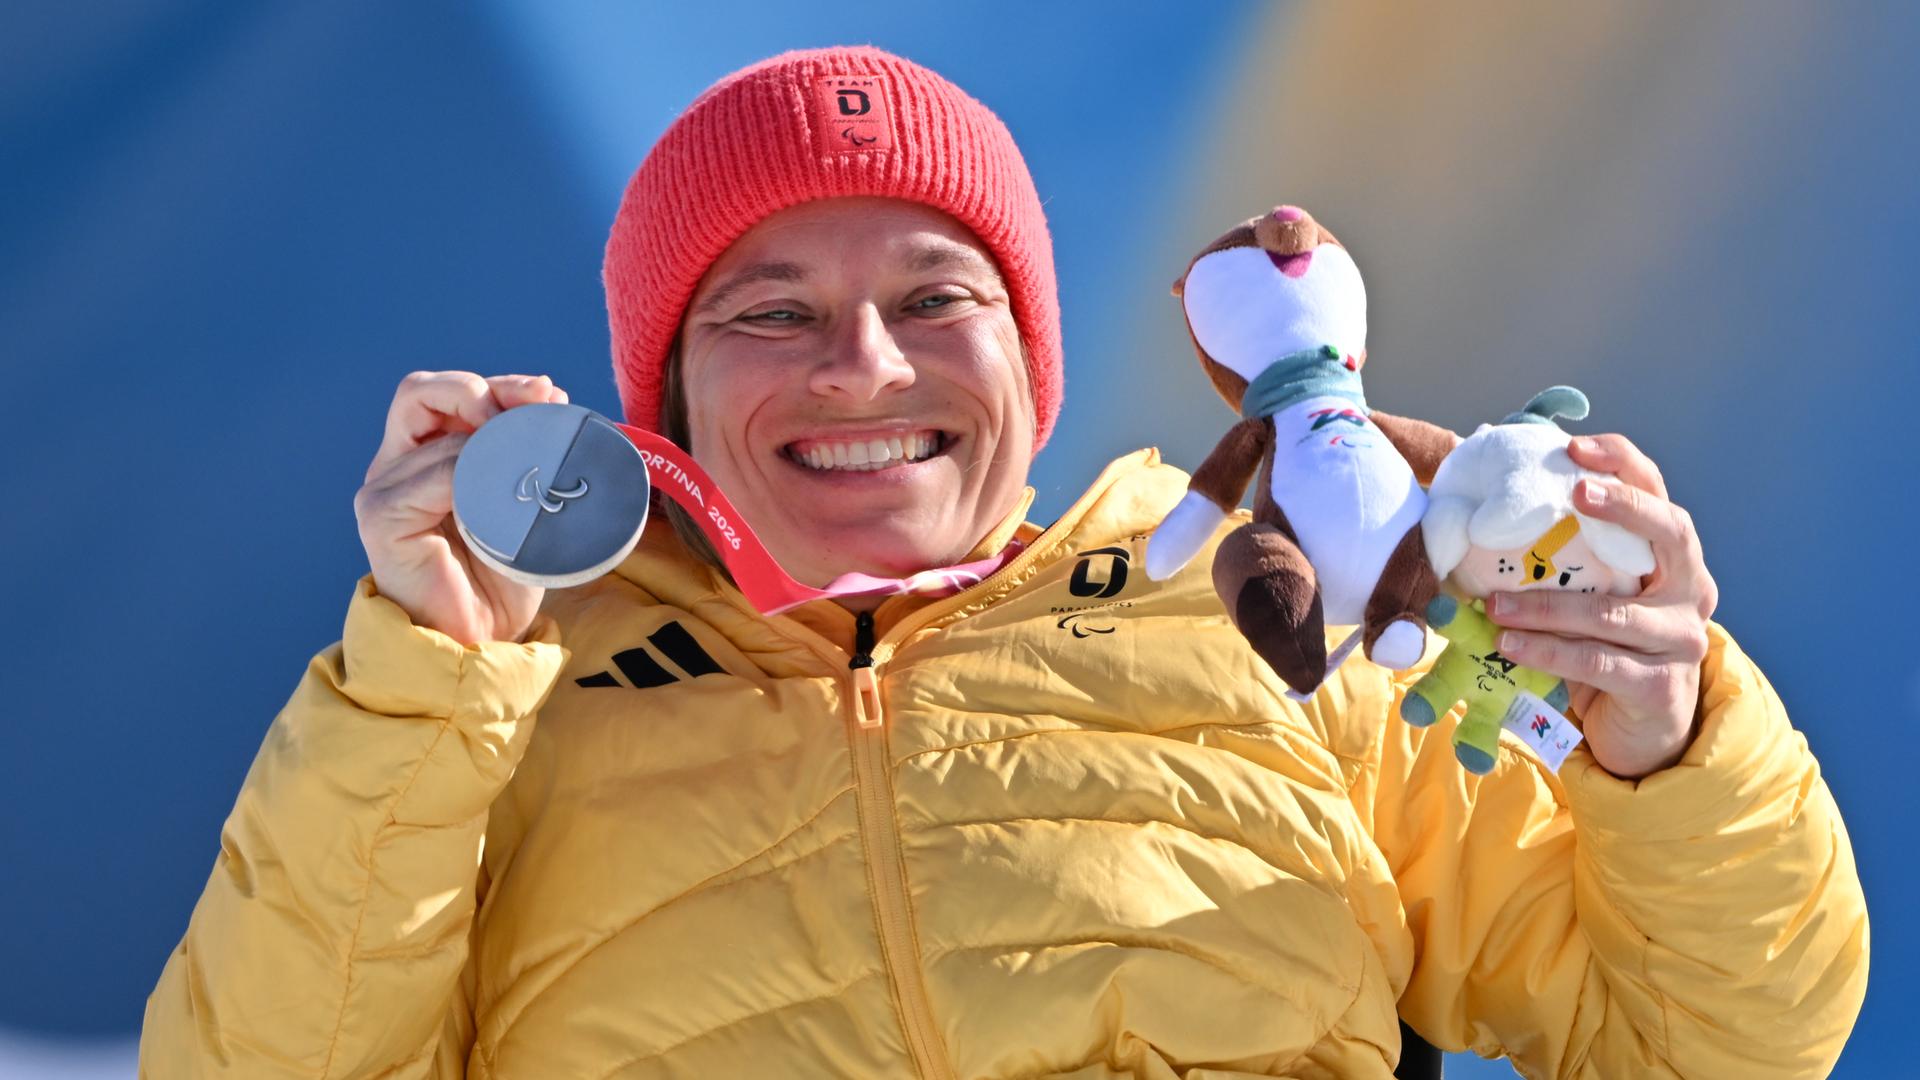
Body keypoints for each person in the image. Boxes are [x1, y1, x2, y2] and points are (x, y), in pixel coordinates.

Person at [139, 46, 1868, 1079]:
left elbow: (1714, 1036)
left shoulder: (1264, 623)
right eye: (773, 313)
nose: (866, 370)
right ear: (665, 396)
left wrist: (1675, 744)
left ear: (1031, 368)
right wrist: (424, 674)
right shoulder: (506, 701)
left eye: (935, 299)